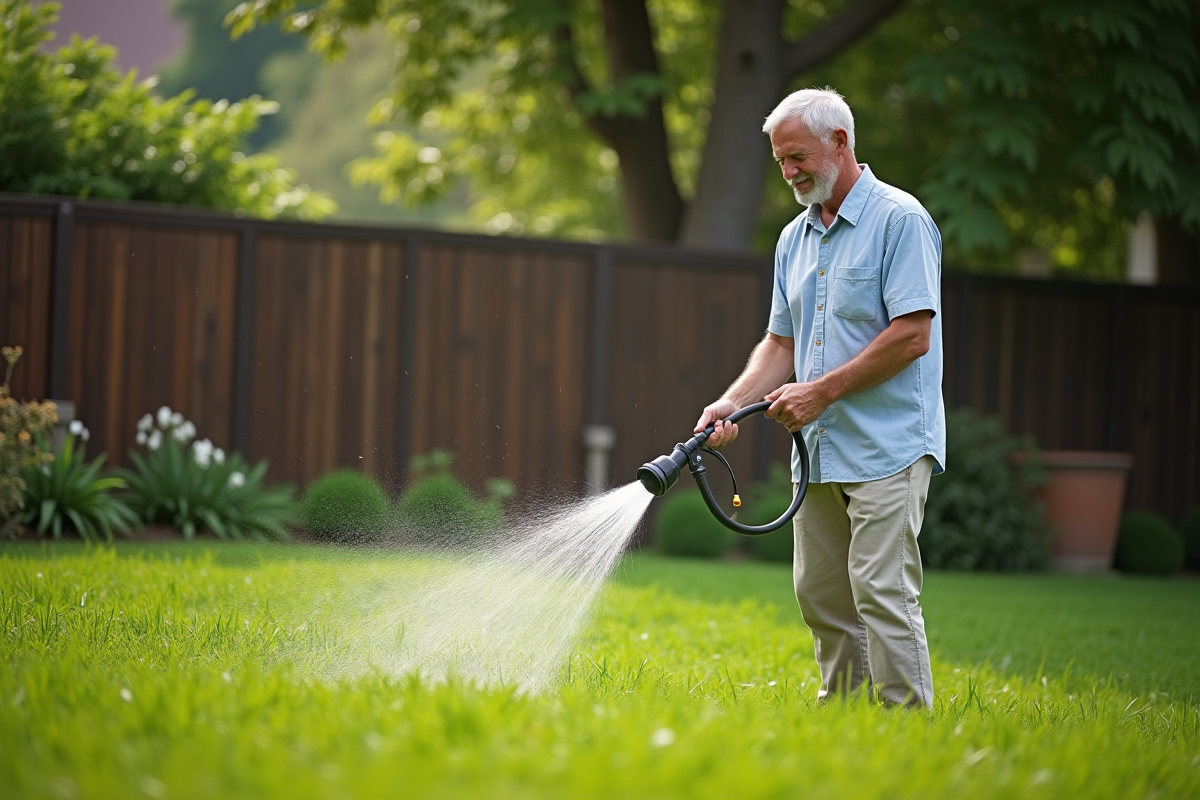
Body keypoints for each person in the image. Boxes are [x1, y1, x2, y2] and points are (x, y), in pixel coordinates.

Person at [696, 88, 945, 708]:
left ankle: (907, 725)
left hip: (889, 445)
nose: (788, 172)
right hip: (819, 450)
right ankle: (846, 717)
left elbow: (912, 335)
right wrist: (731, 402)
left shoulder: (901, 220)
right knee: (821, 595)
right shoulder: (794, 238)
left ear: (840, 142)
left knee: (881, 591)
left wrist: (821, 393)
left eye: (798, 157)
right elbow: (781, 342)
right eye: (780, 161)